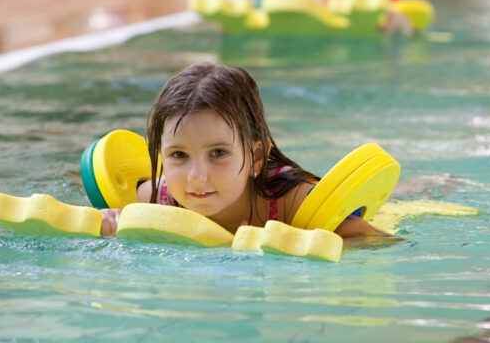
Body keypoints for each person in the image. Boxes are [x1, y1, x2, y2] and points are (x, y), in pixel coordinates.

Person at [99, 63, 388, 239]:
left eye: (218, 153)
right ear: (161, 155)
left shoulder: (292, 200)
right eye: (179, 155)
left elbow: (378, 244)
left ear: (257, 158)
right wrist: (110, 224)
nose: (197, 177)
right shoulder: (156, 199)